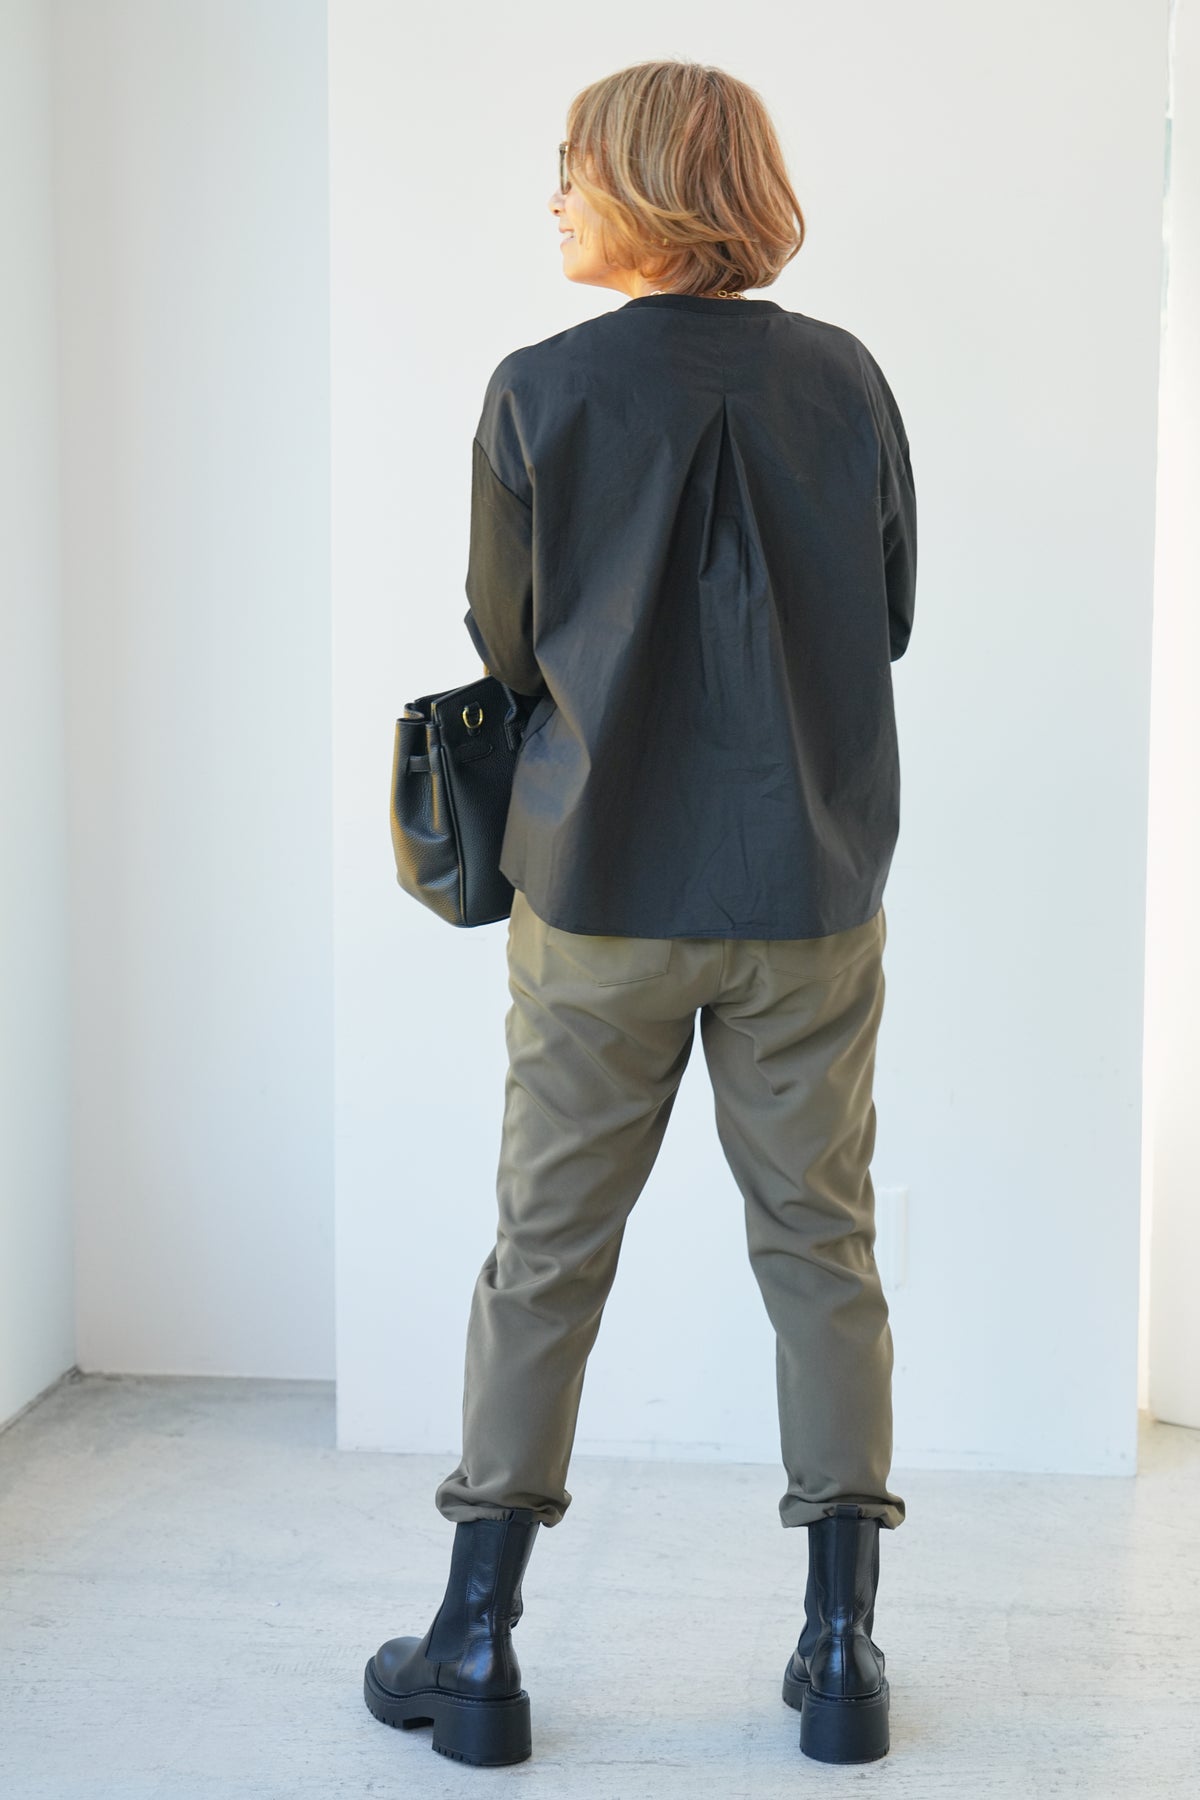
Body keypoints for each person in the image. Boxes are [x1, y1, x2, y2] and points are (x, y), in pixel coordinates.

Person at [363, 58, 916, 1770]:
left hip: (597, 893)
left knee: (544, 1254)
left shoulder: (540, 389)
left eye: (573, 167)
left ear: (648, 185)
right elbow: (889, 612)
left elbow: (507, 637)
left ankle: (477, 1644)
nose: (552, 197)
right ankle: (841, 1653)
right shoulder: (846, 378)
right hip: (808, 892)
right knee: (823, 1250)